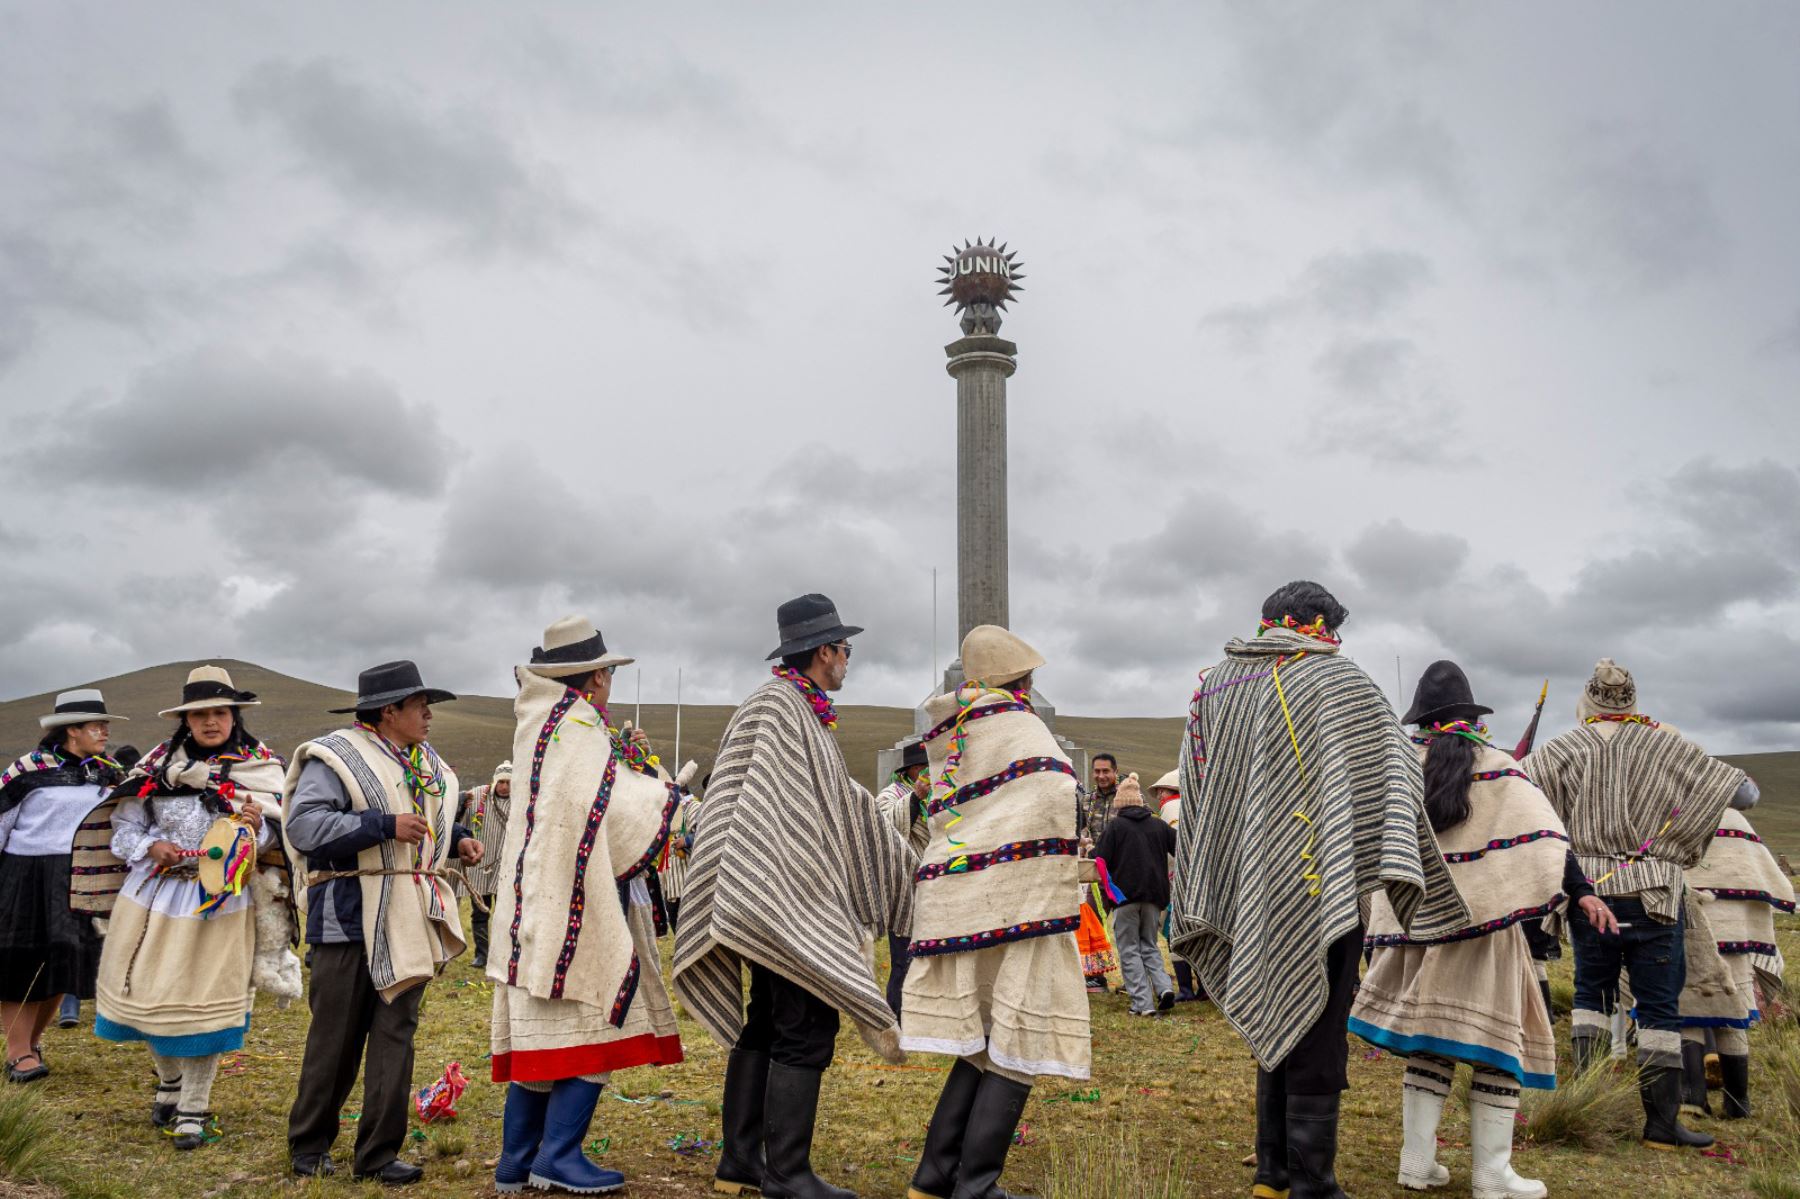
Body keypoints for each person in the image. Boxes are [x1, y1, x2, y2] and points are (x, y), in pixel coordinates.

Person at [1170, 581, 1467, 1199]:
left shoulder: (1213, 688)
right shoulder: (1342, 683)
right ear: (1318, 623)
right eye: (1333, 630)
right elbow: (1396, 773)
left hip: (1247, 886)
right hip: (1317, 886)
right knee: (1321, 1027)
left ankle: (1272, 1173)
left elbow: (1197, 791)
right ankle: (1312, 1181)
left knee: (1278, 1008)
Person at [673, 594, 912, 1199]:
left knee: (766, 1021)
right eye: (845, 650)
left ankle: (740, 1164)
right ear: (824, 652)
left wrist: (893, 856)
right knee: (805, 1026)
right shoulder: (783, 709)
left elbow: (831, 800)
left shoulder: (782, 707)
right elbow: (780, 814)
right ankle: (787, 1173)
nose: (849, 660)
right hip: (779, 897)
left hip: (758, 893)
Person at [1349, 661, 1617, 1199]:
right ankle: (1492, 1175)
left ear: (1420, 719)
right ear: (1471, 715)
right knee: (1499, 1046)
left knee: (1433, 1046)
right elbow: (1546, 837)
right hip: (1485, 933)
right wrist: (1582, 891)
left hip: (1415, 930)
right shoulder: (1499, 769)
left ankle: (1416, 1163)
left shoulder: (1399, 767)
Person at [489, 617, 685, 1194]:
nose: (608, 685)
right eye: (606, 674)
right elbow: (609, 809)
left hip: (533, 908)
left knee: (539, 1042)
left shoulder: (537, 726)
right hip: (577, 907)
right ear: (595, 677)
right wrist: (664, 793)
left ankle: (516, 1160)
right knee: (590, 1024)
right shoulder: (577, 729)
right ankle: (558, 1156)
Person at [1523, 659, 1750, 1151]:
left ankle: (1584, 1105)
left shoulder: (1563, 748)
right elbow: (1745, 793)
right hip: (1657, 896)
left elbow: (1521, 792)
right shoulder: (1665, 744)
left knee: (1590, 997)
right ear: (1632, 702)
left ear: (1588, 702)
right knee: (1659, 1009)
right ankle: (1662, 1127)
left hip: (1588, 893)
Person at [902, 625, 1089, 1199]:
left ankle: (934, 1177)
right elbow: (1056, 792)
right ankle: (976, 1184)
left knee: (982, 1041)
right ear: (1022, 681)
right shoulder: (1021, 726)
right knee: (1019, 1040)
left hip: (965, 902)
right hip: (1025, 902)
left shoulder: (959, 730)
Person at [283, 661, 482, 1185]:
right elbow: (304, 826)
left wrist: (456, 837)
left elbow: (418, 812)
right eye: (420, 705)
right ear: (388, 711)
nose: (429, 714)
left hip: (409, 915)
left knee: (397, 1034)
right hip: (347, 918)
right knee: (337, 1037)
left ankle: (377, 1153)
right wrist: (382, 826)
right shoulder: (337, 758)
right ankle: (310, 1146)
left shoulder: (422, 763)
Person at [92, 667, 287, 1150]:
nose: (210, 722)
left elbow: (276, 841)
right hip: (152, 898)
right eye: (199, 714)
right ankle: (170, 1082)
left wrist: (250, 830)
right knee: (152, 994)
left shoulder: (258, 769)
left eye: (219, 712)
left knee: (205, 1001)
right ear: (186, 720)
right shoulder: (157, 768)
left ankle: (194, 1109)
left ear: (234, 716)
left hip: (220, 901)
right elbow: (123, 828)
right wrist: (152, 845)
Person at [0, 690, 128, 1083]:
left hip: (81, 875)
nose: (105, 731)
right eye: (96, 725)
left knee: (65, 961)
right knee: (19, 962)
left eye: (105, 724)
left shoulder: (107, 773)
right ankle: (16, 1051)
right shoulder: (28, 768)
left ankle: (33, 1043)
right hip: (26, 873)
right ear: (71, 730)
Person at [1679, 781, 1790, 1120]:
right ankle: (1738, 1102)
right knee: (1737, 1009)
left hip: (1692, 927)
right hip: (1737, 932)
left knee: (1689, 1005)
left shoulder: (1683, 816)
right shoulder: (1740, 824)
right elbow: (1763, 876)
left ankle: (1693, 1097)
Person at [1095, 772, 1177, 1016]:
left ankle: (1142, 1004)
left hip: (1125, 897)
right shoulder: (1158, 825)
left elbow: (1099, 858)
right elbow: (1181, 847)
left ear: (1120, 804)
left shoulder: (1116, 827)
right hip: (1155, 896)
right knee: (1149, 945)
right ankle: (1164, 988)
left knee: (1130, 949)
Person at [876, 738, 931, 1016]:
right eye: (920, 767)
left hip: (936, 884)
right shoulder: (891, 794)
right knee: (903, 957)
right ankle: (898, 1014)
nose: (926, 773)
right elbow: (884, 828)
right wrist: (914, 799)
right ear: (908, 770)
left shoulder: (943, 796)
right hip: (904, 886)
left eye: (928, 767)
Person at [456, 760, 512, 969]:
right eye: (501, 782)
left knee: (505, 912)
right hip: (479, 865)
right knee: (479, 911)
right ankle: (482, 955)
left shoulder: (521, 800)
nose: (504, 787)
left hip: (505, 867)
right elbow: (457, 814)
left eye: (508, 782)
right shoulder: (479, 795)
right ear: (494, 781)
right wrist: (462, 804)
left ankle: (504, 954)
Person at [1150, 770, 1201, 1003]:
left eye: (1162, 791)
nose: (1159, 795)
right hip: (1197, 880)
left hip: (1177, 882)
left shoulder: (1170, 810)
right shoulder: (1194, 808)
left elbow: (1172, 850)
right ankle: (1204, 988)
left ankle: (1186, 988)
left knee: (1174, 933)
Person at [1079, 752, 1119, 850]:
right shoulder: (1086, 800)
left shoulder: (1131, 799)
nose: (1101, 776)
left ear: (1116, 772)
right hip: (1092, 861)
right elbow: (1075, 830)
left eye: (1105, 771)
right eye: (1097, 771)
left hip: (1121, 862)